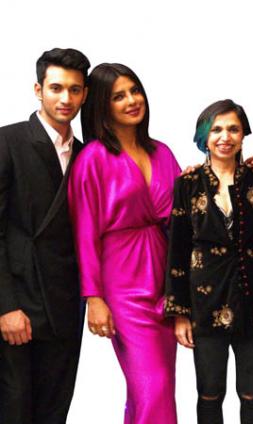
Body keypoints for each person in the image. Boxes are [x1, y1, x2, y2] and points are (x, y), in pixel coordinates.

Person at [68, 63, 181, 424]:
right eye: (119, 96)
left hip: (164, 282)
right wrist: (94, 297)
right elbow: (84, 234)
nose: (132, 100)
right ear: (102, 105)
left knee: (152, 388)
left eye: (135, 91)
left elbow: (189, 216)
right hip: (123, 285)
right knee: (154, 385)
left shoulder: (162, 152)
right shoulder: (92, 159)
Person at [164, 99, 253, 424]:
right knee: (209, 392)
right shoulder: (188, 183)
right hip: (205, 303)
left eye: (233, 129)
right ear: (204, 137)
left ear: (243, 134)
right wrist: (179, 313)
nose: (225, 136)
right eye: (217, 129)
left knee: (252, 391)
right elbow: (177, 249)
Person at [0, 47, 89, 424]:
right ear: (38, 90)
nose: (65, 98)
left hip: (65, 304)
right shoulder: (8, 142)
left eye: (74, 89)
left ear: (84, 94)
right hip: (19, 302)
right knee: (14, 409)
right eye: (56, 88)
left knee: (54, 411)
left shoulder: (86, 155)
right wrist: (5, 306)